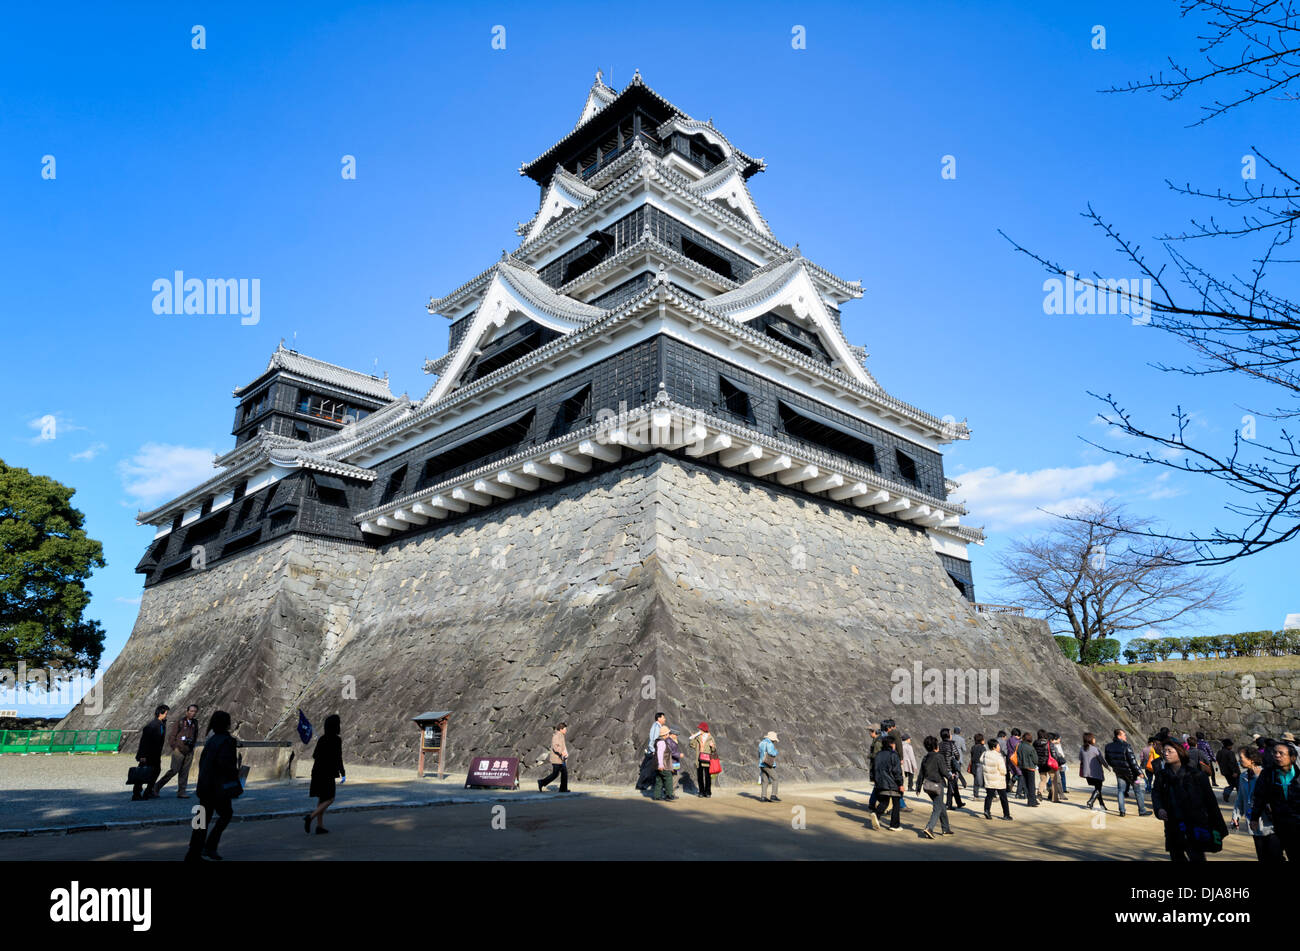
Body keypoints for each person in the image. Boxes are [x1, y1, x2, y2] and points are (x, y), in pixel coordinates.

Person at [1152, 741, 1228, 862]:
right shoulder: (1162, 775)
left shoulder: (1196, 775)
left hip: (1195, 823)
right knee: (1176, 855)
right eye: (1164, 751)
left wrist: (1218, 826)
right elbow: (1156, 794)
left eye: (1169, 751)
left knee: (1196, 856)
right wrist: (1159, 809)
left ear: (1180, 753)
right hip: (1173, 823)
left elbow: (1210, 801)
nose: (1166, 754)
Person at [185, 710, 238, 861]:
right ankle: (209, 846)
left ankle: (193, 852)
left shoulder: (211, 740)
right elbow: (226, 766)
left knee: (202, 820)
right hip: (218, 788)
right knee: (226, 815)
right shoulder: (227, 741)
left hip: (205, 786)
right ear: (227, 724)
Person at [1249, 740, 1299, 861]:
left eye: (1281, 753)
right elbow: (1260, 796)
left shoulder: (1298, 775)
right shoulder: (1267, 774)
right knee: (1273, 855)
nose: (1277, 756)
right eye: (1275, 753)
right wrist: (1254, 817)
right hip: (1277, 823)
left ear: (1292, 757)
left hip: (1297, 823)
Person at [1233, 746, 1281, 861]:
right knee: (1262, 857)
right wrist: (1236, 816)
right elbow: (1240, 798)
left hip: (1270, 824)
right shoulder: (1242, 776)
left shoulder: (1265, 775)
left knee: (1275, 857)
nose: (1239, 761)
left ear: (1252, 759)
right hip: (1254, 825)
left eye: (1241, 758)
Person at [305, 713, 346, 832]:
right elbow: (339, 758)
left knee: (322, 799)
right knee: (330, 798)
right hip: (327, 773)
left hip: (317, 771)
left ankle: (320, 826)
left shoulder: (322, 739)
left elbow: (314, 755)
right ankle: (310, 817)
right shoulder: (337, 740)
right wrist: (343, 773)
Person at [154, 704, 200, 799]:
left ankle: (181, 792)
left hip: (189, 750)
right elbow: (172, 736)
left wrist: (192, 745)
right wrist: (175, 747)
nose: (192, 713)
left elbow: (195, 735)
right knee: (173, 771)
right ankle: (156, 787)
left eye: (195, 711)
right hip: (178, 750)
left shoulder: (195, 723)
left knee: (184, 772)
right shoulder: (180, 722)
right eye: (191, 711)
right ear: (187, 712)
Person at [1104, 729, 1149, 818]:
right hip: (1132, 774)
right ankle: (1142, 811)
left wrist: (1115, 767)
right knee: (1138, 791)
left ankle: (1122, 811)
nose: (1126, 736)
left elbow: (1108, 760)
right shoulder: (1126, 746)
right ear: (1119, 736)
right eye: (1124, 735)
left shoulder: (1108, 746)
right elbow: (1133, 761)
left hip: (1119, 772)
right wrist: (1139, 772)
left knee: (1121, 790)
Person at [918, 735, 952, 839]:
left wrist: (918, 787)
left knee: (941, 806)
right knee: (937, 808)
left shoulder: (925, 757)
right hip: (937, 785)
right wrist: (950, 776)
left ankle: (946, 828)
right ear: (935, 746)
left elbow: (921, 773)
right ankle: (929, 828)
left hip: (928, 785)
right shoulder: (939, 756)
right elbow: (944, 771)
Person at [133, 705, 169, 800]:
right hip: (147, 754)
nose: (166, 715)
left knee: (155, 771)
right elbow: (144, 742)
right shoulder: (151, 726)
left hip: (155, 754)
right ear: (160, 714)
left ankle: (148, 791)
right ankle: (136, 793)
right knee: (141, 773)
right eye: (165, 713)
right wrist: (142, 755)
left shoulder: (161, 724)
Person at [870, 735, 904, 831]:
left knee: (884, 802)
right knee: (896, 803)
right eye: (894, 744)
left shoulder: (878, 755)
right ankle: (894, 825)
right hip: (892, 784)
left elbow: (873, 769)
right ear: (891, 744)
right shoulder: (894, 755)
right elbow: (897, 771)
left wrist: (875, 780)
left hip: (880, 783)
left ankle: (876, 814)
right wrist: (900, 784)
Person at [982, 737, 1011, 820]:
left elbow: (981, 761)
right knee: (1003, 798)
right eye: (998, 746)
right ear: (994, 747)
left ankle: (987, 810)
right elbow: (1003, 770)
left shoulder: (985, 754)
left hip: (989, 779)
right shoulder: (998, 757)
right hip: (998, 779)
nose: (999, 747)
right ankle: (1006, 815)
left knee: (989, 796)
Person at [638, 712, 668, 790]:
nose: (665, 719)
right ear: (659, 718)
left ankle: (644, 785)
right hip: (653, 751)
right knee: (648, 770)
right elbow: (652, 739)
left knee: (651, 770)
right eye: (663, 717)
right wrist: (653, 750)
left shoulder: (657, 726)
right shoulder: (657, 726)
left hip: (654, 751)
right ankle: (640, 785)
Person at [1079, 732, 1109, 811]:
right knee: (1098, 789)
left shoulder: (1081, 749)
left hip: (1086, 773)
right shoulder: (1095, 749)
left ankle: (1102, 805)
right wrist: (1107, 767)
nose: (1094, 739)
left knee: (1097, 789)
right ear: (1090, 739)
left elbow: (1080, 758)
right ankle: (1090, 801)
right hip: (1096, 773)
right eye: (1093, 738)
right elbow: (1102, 760)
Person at [537, 722, 569, 793]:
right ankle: (541, 782)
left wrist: (564, 753)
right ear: (561, 729)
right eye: (565, 729)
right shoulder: (556, 736)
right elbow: (555, 747)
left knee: (564, 773)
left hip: (561, 758)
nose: (566, 730)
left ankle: (563, 789)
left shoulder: (561, 735)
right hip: (556, 758)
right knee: (555, 774)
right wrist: (562, 752)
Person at [689, 722, 717, 798]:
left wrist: (712, 746)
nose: (699, 730)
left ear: (703, 729)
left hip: (707, 759)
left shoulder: (710, 737)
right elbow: (693, 745)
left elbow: (714, 750)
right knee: (700, 776)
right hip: (699, 759)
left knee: (708, 776)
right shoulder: (698, 737)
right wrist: (692, 738)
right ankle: (701, 792)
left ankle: (708, 792)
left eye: (700, 728)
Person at [939, 728, 964, 809]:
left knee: (954, 785)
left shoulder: (939, 745)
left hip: (942, 767)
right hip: (950, 768)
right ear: (948, 735)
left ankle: (959, 802)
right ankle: (948, 804)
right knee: (951, 785)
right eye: (950, 733)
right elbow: (957, 755)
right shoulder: (951, 744)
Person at [1017, 728, 1039, 807]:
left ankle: (1032, 800)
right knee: (1031, 785)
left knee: (1026, 784)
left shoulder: (1019, 746)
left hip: (1022, 767)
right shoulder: (1031, 748)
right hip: (1030, 768)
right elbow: (1035, 760)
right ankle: (1031, 801)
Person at [1217, 739, 1240, 804]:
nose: (1232, 747)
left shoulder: (1219, 752)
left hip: (1225, 772)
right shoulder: (1230, 753)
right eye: (1231, 745)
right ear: (1228, 746)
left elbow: (1218, 760)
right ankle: (1238, 797)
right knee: (1238, 785)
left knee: (1232, 784)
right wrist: (1234, 772)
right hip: (1233, 772)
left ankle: (1227, 792)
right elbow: (1232, 763)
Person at [759, 731, 780, 802]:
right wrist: (776, 752)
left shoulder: (761, 743)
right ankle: (773, 795)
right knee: (775, 778)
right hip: (768, 764)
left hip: (762, 764)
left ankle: (763, 796)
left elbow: (759, 753)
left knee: (765, 781)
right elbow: (771, 752)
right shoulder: (770, 743)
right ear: (772, 739)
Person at [970, 733, 986, 800]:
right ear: (981, 740)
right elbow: (984, 757)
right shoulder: (983, 748)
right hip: (980, 765)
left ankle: (975, 795)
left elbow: (972, 756)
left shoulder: (973, 747)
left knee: (975, 781)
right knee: (983, 781)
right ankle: (992, 795)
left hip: (973, 765)